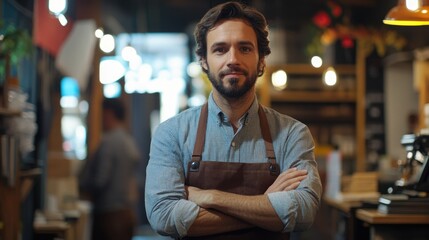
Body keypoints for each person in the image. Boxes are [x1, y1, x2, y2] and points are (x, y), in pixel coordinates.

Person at [145, 2, 322, 239]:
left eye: (245, 48)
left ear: (261, 61)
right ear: (204, 61)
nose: (233, 59)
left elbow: (303, 212)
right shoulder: (172, 133)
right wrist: (264, 206)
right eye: (220, 49)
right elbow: (164, 215)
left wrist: (211, 197)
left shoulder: (293, 133)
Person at [79, 98, 140, 240]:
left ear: (108, 114)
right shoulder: (128, 141)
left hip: (108, 215)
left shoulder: (108, 142)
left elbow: (100, 180)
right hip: (127, 212)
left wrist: (82, 186)